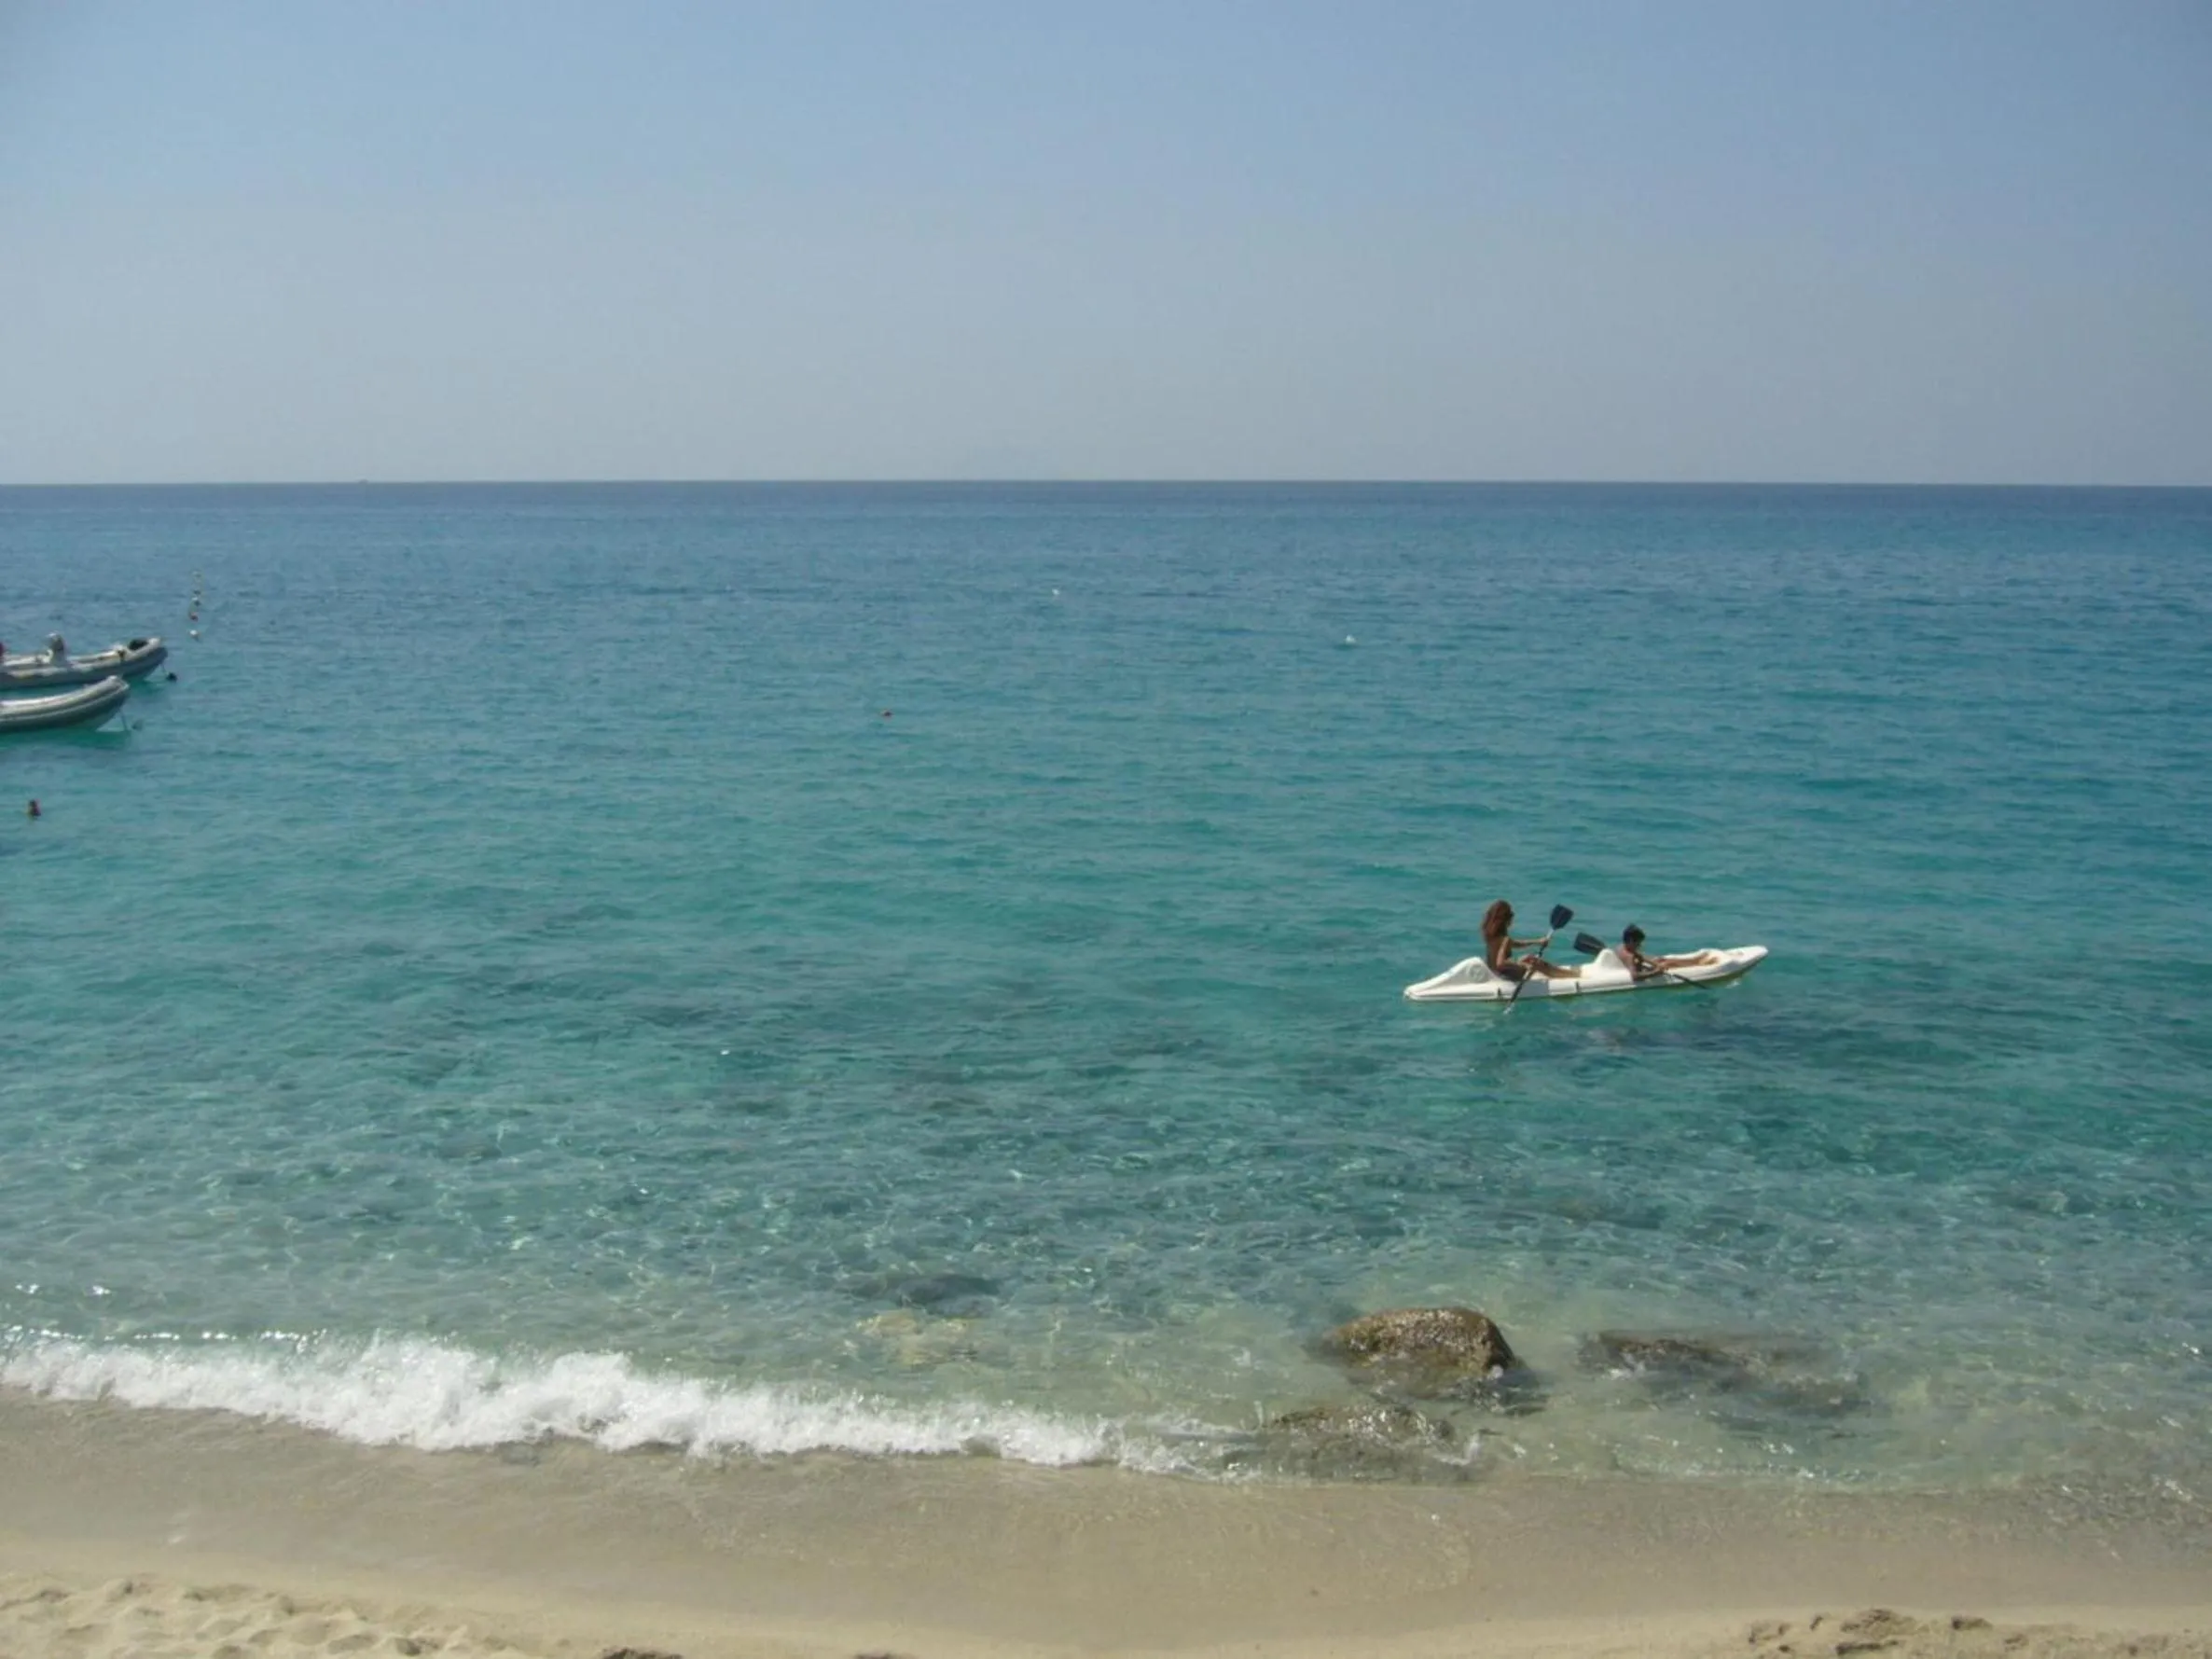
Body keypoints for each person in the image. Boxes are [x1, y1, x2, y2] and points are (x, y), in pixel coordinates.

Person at [1482, 899, 1577, 981]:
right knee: (1535, 962)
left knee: (1529, 958)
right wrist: (1523, 966)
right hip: (1506, 975)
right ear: (1506, 920)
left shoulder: (1490, 935)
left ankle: (1566, 973)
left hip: (1495, 973)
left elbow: (1515, 944)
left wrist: (1538, 942)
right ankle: (1572, 975)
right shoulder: (1505, 939)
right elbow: (1500, 964)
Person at [1619, 924, 1716, 979]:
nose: (1640, 945)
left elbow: (1639, 956)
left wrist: (1654, 962)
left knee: (1663, 960)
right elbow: (1635, 976)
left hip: (1642, 966)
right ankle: (1700, 965)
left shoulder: (1622, 947)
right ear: (1631, 941)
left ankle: (1696, 961)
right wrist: (1657, 972)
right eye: (1638, 943)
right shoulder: (1629, 956)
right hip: (1643, 970)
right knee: (1669, 963)